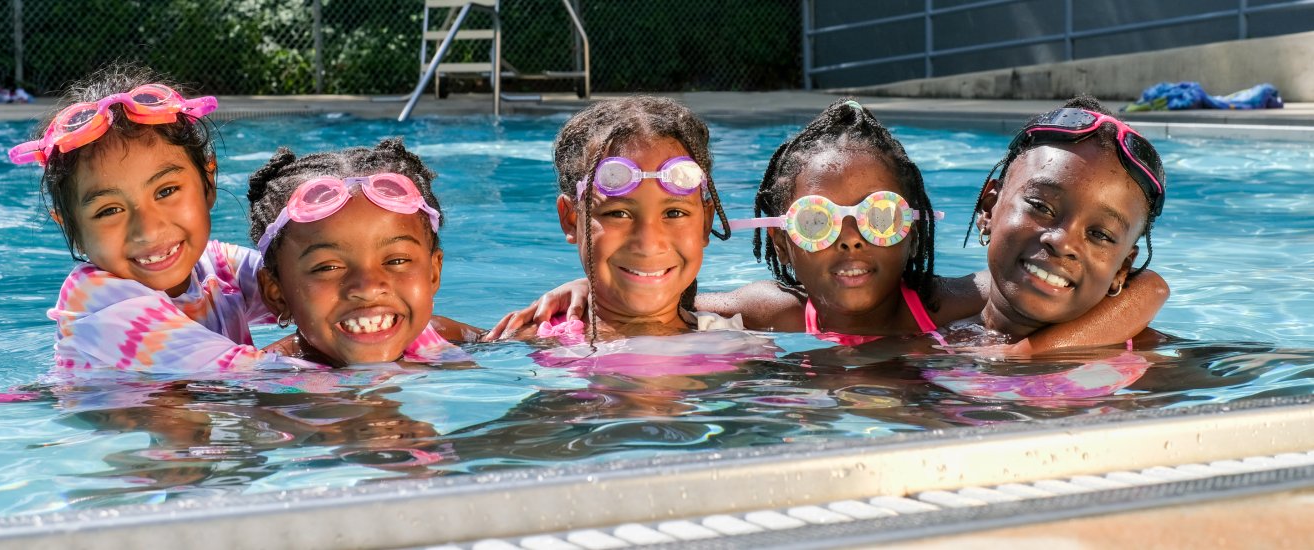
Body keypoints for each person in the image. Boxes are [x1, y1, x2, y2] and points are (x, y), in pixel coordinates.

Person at [494, 99, 1167, 353]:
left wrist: (1140, 294)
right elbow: (666, 299)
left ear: (908, 226)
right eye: (818, 221)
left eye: (877, 217)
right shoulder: (776, 313)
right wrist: (586, 285)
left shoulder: (952, 306)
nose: (851, 238)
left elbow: (1140, 294)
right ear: (782, 235)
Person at [14, 63, 272, 371]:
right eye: (109, 210)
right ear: (73, 228)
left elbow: (307, 284)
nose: (148, 230)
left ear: (208, 181)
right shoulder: (98, 303)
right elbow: (254, 376)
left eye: (166, 192)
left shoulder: (215, 265)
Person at [512, 95, 741, 343]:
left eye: (674, 213)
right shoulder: (537, 340)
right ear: (571, 219)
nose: (648, 244)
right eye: (618, 214)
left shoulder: (737, 344)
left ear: (706, 223)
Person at [955, 95, 1167, 346]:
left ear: (1121, 270)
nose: (1062, 242)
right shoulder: (928, 343)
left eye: (1099, 234)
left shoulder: (1152, 363)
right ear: (989, 209)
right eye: (1041, 207)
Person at [246, 138, 475, 367]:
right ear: (277, 294)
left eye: (396, 260)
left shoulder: (441, 335)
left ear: (433, 273)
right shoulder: (268, 377)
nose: (368, 288)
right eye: (328, 267)